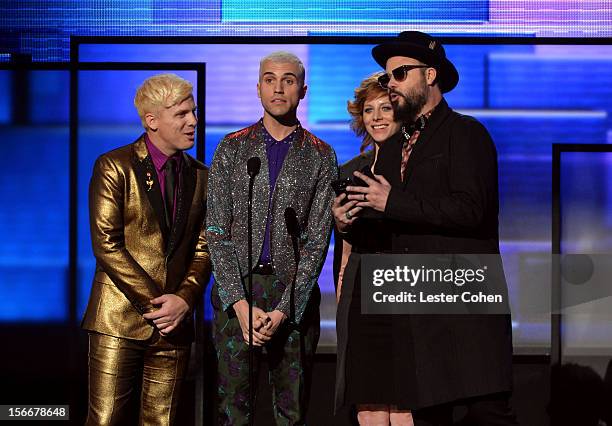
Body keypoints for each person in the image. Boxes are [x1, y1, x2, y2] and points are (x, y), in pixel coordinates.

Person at [333, 31, 518, 425]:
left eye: (399, 74)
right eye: (386, 78)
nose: (390, 84)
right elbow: (384, 232)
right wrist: (346, 222)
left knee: (485, 416)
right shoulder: (392, 149)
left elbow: (471, 210)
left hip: (464, 316)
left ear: (430, 75)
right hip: (417, 320)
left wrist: (391, 202)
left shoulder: (466, 133)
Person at [207, 51, 337, 425]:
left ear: (303, 90)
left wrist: (282, 311)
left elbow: (316, 242)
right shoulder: (232, 147)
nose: (278, 87)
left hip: (290, 298)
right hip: (238, 294)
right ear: (258, 87)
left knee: (292, 410)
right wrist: (241, 306)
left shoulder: (320, 155)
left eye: (288, 80)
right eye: (269, 79)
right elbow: (216, 231)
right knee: (232, 409)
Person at [82, 73, 211, 425]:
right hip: (118, 320)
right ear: (152, 121)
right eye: (182, 114)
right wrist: (158, 305)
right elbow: (107, 245)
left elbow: (205, 246)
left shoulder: (202, 175)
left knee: (162, 422)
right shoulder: (114, 166)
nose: (193, 122)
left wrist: (183, 300)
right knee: (105, 419)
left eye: (193, 112)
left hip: (175, 325)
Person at [332, 72, 411, 425]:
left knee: (406, 399)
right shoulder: (352, 171)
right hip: (363, 290)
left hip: (411, 287)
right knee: (369, 398)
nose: (377, 117)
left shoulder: (418, 168)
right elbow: (346, 247)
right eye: (368, 110)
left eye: (385, 108)